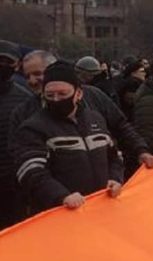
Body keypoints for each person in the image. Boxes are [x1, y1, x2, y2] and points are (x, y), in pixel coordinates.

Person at [11, 63, 124, 214]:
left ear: (78, 94)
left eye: (62, 94)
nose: (56, 100)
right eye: (50, 95)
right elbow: (31, 171)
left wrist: (116, 179)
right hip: (61, 212)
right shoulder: (33, 127)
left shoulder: (95, 119)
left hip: (100, 207)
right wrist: (61, 196)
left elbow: (115, 156)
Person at [0, 42, 34, 227]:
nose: (2, 65)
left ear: (17, 65)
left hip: (13, 183)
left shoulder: (25, 98)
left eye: (7, 61)